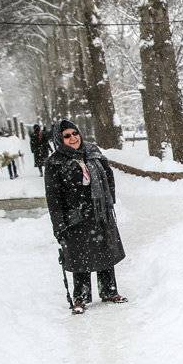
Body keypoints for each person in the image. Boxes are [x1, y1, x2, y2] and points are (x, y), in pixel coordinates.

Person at [44, 119, 127, 314]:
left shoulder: (93, 152)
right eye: (67, 136)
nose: (73, 138)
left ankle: (109, 291)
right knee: (79, 256)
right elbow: (53, 197)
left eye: (75, 133)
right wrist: (59, 224)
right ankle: (80, 297)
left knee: (105, 251)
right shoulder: (55, 163)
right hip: (75, 216)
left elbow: (108, 176)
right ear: (59, 139)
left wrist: (107, 202)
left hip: (99, 213)